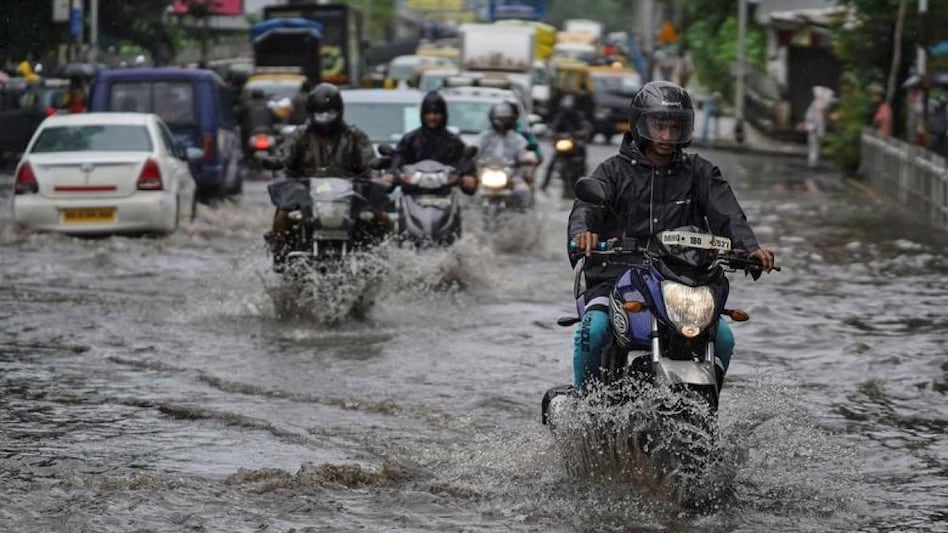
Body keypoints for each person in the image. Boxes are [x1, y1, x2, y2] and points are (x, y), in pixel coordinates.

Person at [568, 80, 775, 394]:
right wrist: (583, 233)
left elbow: (728, 214)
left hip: (681, 281)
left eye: (674, 127)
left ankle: (707, 409)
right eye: (659, 126)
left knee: (723, 338)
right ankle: (581, 406)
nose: (666, 136)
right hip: (617, 276)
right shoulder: (612, 171)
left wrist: (750, 249)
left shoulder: (700, 173)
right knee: (593, 330)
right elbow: (586, 206)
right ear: (640, 124)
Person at [268, 83, 376, 271]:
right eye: (320, 113)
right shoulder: (299, 136)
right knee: (282, 218)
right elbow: (282, 162)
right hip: (306, 197)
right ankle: (281, 259)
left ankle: (380, 260)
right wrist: (282, 179)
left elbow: (370, 163)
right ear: (311, 112)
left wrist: (376, 178)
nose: (325, 118)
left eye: (330, 113)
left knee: (380, 218)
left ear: (339, 111)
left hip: (348, 196)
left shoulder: (354, 136)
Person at [385, 90, 478, 194]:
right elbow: (398, 160)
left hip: (445, 198)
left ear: (443, 115)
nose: (432, 117)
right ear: (422, 115)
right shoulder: (409, 140)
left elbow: (465, 165)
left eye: (436, 113)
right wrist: (391, 174)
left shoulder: (454, 142)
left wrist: (468, 179)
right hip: (413, 195)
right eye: (428, 113)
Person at [476, 101, 538, 206]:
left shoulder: (517, 138)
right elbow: (475, 147)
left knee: (523, 191)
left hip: (511, 176)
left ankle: (522, 215)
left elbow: (525, 151)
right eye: (499, 119)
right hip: (485, 175)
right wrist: (470, 153)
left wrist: (528, 158)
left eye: (505, 119)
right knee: (471, 192)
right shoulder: (485, 136)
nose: (501, 122)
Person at [540, 94, 593, 191]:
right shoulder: (560, 117)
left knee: (581, 152)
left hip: (574, 144)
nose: (567, 109)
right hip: (563, 144)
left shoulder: (578, 116)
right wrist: (552, 133)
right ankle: (544, 185)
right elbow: (553, 127)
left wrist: (582, 133)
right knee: (552, 162)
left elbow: (585, 126)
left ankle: (583, 177)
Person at [240, 88, 275, 158]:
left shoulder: (246, 106)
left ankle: (245, 155)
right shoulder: (268, 106)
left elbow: (240, 118)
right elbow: (274, 118)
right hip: (266, 131)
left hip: (251, 132)